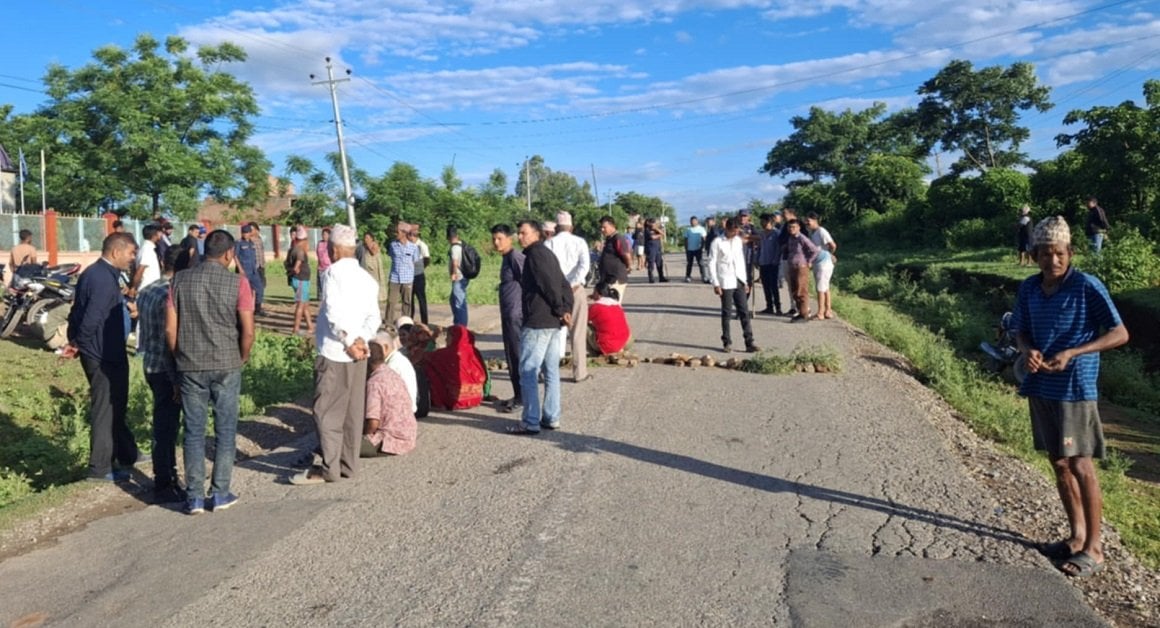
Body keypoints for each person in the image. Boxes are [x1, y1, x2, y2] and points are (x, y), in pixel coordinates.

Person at [1011, 216, 1129, 578]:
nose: (1053, 261)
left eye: (1059, 254)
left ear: (1070, 252)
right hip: (1040, 384)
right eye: (1044, 254)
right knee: (1058, 463)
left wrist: (1074, 352)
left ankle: (1095, 548)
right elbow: (1019, 330)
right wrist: (1027, 349)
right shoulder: (1029, 289)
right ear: (1033, 255)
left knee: (1080, 463)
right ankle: (1076, 538)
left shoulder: (1086, 286)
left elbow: (1119, 333)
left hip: (1074, 387)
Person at [166, 229, 256, 514]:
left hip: (190, 364)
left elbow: (170, 329)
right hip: (227, 362)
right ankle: (219, 492)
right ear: (230, 253)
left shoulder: (179, 280)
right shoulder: (238, 283)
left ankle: (193, 497)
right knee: (225, 429)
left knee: (193, 430)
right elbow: (249, 331)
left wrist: (179, 357)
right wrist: (242, 357)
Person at [291, 224, 382, 485]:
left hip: (335, 351)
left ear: (335, 250)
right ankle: (348, 465)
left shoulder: (331, 274)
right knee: (353, 413)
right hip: (357, 354)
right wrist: (361, 339)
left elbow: (332, 312)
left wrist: (348, 340)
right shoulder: (367, 278)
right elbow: (373, 316)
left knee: (327, 411)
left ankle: (330, 468)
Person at [63, 233, 140, 482]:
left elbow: (77, 310)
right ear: (116, 252)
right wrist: (80, 344)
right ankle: (99, 468)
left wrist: (76, 340)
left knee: (116, 404)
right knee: (105, 408)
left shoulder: (97, 273)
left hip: (107, 350)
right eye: (130, 253)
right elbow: (91, 317)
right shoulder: (102, 279)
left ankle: (127, 454)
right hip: (102, 354)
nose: (132, 259)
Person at [508, 220, 572, 435]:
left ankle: (530, 420)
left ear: (536, 234)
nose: (519, 237)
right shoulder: (547, 254)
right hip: (552, 321)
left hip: (538, 321)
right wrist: (564, 308)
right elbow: (564, 284)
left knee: (528, 371)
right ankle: (551, 417)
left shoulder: (535, 255)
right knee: (551, 370)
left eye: (523, 232)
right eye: (518, 233)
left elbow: (550, 285)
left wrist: (560, 307)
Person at [136, 246, 186, 503]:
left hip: (150, 363)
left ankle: (166, 475)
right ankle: (165, 480)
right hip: (167, 367)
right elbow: (171, 338)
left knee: (162, 422)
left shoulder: (146, 291)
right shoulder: (172, 293)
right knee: (167, 426)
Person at [545, 211, 591, 384]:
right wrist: (573, 283)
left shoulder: (549, 244)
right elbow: (584, 266)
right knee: (578, 332)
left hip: (555, 291)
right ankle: (579, 373)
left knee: (553, 332)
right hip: (576, 289)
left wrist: (559, 286)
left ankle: (548, 372)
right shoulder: (580, 242)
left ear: (556, 227)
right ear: (571, 227)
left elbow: (548, 269)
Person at [361, 331, 418, 457]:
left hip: (390, 440)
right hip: (408, 435)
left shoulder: (374, 382)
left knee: (342, 446)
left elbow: (373, 422)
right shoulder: (391, 372)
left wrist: (364, 436)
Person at [707, 218, 759, 353]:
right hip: (725, 281)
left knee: (744, 312)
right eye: (732, 231)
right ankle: (727, 342)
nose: (735, 234)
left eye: (737, 231)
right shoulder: (717, 242)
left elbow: (740, 262)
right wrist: (715, 283)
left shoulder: (737, 241)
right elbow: (712, 263)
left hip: (739, 280)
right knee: (727, 312)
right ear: (726, 229)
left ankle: (749, 342)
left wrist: (746, 281)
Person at [492, 223, 525, 414]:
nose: (496, 242)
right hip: (507, 314)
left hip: (515, 315)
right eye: (494, 239)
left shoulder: (515, 257)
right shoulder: (506, 258)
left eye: (500, 239)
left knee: (517, 355)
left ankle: (522, 397)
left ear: (509, 239)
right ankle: (517, 394)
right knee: (511, 356)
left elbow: (527, 281)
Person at [424, 324, 489, 410]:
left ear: (455, 337)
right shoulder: (474, 351)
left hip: (454, 400)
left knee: (427, 367)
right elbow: (485, 373)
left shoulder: (446, 353)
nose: (446, 339)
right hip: (476, 398)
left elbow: (425, 357)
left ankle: (440, 402)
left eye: (448, 336)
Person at [782, 218, 818, 322]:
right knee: (794, 291)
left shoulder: (802, 238)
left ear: (799, 228)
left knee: (801, 291)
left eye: (793, 227)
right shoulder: (791, 238)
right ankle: (800, 312)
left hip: (801, 267)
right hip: (792, 266)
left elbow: (814, 250)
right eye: (789, 227)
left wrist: (809, 261)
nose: (791, 229)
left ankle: (805, 314)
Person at [806, 212, 837, 320]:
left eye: (808, 221)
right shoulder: (813, 233)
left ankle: (820, 312)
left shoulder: (821, 231)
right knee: (825, 287)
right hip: (818, 262)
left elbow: (832, 245)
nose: (807, 223)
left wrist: (830, 254)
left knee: (820, 288)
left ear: (815, 220)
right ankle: (828, 310)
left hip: (824, 263)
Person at [386, 221, 418, 325]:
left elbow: (415, 261)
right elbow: (391, 256)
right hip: (394, 278)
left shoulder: (413, 247)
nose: (396, 234)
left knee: (407, 302)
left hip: (407, 279)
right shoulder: (393, 245)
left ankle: (406, 323)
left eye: (397, 232)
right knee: (391, 302)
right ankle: (388, 324)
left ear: (404, 233)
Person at [588, 283, 631, 356]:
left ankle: (593, 353)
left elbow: (582, 319)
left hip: (608, 344)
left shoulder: (596, 307)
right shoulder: (617, 305)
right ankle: (619, 350)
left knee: (583, 326)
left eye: (594, 291)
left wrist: (584, 300)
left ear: (598, 293)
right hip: (625, 341)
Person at [597, 215, 632, 302]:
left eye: (604, 227)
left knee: (613, 304)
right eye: (601, 227)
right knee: (607, 305)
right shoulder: (609, 239)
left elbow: (626, 255)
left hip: (616, 279)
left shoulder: (618, 238)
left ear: (612, 226)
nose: (602, 230)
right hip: (608, 279)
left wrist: (628, 267)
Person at [288, 227, 314, 336]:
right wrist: (295, 270)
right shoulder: (299, 251)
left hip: (303, 280)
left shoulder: (294, 249)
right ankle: (296, 329)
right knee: (300, 305)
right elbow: (296, 266)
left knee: (305, 305)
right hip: (300, 281)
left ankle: (310, 327)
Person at [756, 212, 783, 315]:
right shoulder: (761, 234)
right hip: (763, 262)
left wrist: (775, 260)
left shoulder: (776, 233)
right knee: (766, 286)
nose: (762, 223)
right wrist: (757, 259)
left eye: (764, 221)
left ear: (769, 222)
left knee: (774, 286)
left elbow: (778, 249)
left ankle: (778, 307)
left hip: (773, 263)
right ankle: (769, 306)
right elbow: (759, 247)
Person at [235, 224, 264, 316]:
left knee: (259, 288)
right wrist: (240, 269)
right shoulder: (238, 243)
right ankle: (243, 311)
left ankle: (258, 309)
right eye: (244, 233)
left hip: (253, 270)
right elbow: (235, 256)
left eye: (247, 232)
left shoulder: (251, 243)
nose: (245, 234)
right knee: (244, 291)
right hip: (244, 270)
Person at [358, 230, 388, 314]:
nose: (365, 239)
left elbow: (374, 252)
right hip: (366, 270)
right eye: (365, 238)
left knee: (374, 291)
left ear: (372, 239)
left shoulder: (374, 245)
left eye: (367, 238)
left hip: (374, 271)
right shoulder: (362, 246)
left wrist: (368, 244)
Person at [447, 225, 469, 327]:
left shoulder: (455, 247)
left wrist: (453, 274)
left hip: (459, 277)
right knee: (453, 299)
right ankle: (458, 323)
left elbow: (455, 262)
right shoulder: (461, 244)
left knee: (459, 302)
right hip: (464, 276)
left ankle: (461, 326)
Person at [409, 224, 431, 325]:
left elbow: (427, 259)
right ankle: (410, 319)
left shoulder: (422, 245)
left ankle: (424, 321)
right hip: (409, 276)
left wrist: (420, 267)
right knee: (410, 300)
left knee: (421, 299)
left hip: (419, 275)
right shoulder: (408, 245)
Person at [684, 216, 708, 283]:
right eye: (691, 221)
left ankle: (704, 276)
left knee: (701, 263)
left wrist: (702, 247)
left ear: (697, 221)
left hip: (698, 249)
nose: (693, 222)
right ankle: (688, 276)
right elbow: (685, 239)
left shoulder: (701, 229)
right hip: (690, 250)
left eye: (694, 221)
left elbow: (704, 239)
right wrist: (686, 249)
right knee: (689, 264)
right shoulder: (688, 229)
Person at [643, 217, 668, 283]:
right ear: (650, 223)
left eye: (655, 223)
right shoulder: (647, 230)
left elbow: (663, 234)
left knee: (659, 263)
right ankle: (651, 278)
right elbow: (653, 237)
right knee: (651, 264)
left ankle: (661, 277)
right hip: (650, 249)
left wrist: (656, 229)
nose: (654, 225)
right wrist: (660, 235)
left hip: (658, 248)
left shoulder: (656, 229)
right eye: (653, 223)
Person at [316, 227, 332, 297]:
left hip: (329, 267)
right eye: (323, 234)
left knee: (328, 285)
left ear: (329, 235)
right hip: (321, 267)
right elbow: (318, 253)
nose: (324, 236)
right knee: (322, 285)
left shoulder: (331, 244)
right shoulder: (319, 243)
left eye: (326, 234)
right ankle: (323, 299)